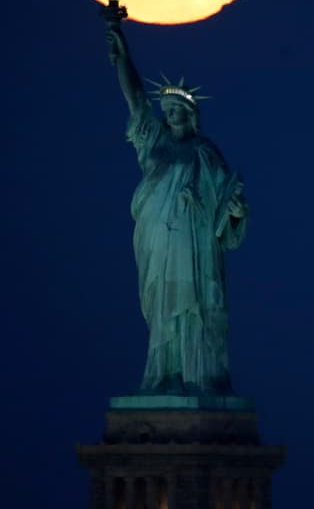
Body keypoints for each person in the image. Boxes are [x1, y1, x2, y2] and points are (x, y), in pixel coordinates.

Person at [105, 21, 249, 394]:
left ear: (190, 115)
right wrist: (122, 52)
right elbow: (136, 99)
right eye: (166, 109)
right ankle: (163, 374)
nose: (169, 115)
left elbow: (227, 206)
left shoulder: (204, 152)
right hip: (157, 237)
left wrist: (234, 209)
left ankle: (197, 376)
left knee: (195, 306)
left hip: (194, 240)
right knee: (163, 307)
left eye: (177, 110)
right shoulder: (152, 143)